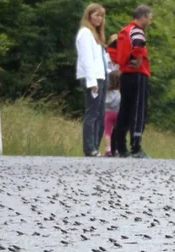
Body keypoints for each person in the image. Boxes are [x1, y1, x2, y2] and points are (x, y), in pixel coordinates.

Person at [115, 5, 153, 159]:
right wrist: (136, 58)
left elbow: (113, 50)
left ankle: (121, 146)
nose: (150, 21)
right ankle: (136, 146)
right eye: (150, 17)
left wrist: (125, 63)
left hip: (126, 74)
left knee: (125, 109)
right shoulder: (137, 30)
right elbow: (138, 46)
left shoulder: (125, 30)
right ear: (143, 16)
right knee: (138, 110)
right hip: (137, 74)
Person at [76, 3, 108, 157]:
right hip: (93, 78)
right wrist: (92, 81)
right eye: (96, 15)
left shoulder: (97, 35)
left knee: (101, 114)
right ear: (89, 16)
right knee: (92, 113)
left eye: (101, 16)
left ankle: (95, 145)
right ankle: (89, 147)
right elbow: (86, 59)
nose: (99, 19)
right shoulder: (85, 33)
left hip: (101, 77)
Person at [104, 70, 121, 157]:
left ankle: (108, 150)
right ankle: (117, 149)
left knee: (107, 132)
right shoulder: (120, 92)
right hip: (118, 113)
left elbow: (105, 102)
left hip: (108, 113)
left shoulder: (107, 92)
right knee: (117, 131)